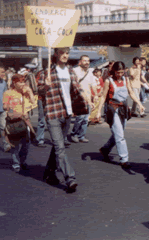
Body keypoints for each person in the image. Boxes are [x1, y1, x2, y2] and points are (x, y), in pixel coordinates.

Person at [37, 47, 92, 193]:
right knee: (60, 148)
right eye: (62, 52)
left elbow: (77, 88)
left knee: (57, 146)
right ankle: (70, 178)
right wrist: (46, 86)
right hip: (54, 113)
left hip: (67, 113)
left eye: (67, 53)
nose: (65, 55)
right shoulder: (46, 72)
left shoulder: (70, 71)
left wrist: (87, 100)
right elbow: (39, 92)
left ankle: (49, 173)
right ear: (56, 54)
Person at [96, 61, 144, 170]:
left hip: (124, 109)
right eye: (118, 72)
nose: (120, 75)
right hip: (112, 109)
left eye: (122, 72)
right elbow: (103, 96)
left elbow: (131, 92)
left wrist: (140, 104)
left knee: (119, 133)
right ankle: (124, 159)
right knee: (120, 136)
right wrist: (99, 111)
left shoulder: (126, 80)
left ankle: (105, 149)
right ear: (114, 71)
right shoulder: (109, 81)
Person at [3, 74, 35, 172]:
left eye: (23, 82)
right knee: (14, 143)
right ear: (14, 83)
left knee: (27, 143)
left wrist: (29, 92)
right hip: (14, 121)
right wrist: (10, 107)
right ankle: (16, 163)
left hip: (25, 121)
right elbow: (4, 107)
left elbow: (33, 102)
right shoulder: (8, 93)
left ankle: (22, 160)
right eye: (20, 82)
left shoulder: (24, 92)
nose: (22, 84)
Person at [71, 55, 97, 143]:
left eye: (88, 61)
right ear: (80, 61)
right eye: (85, 61)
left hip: (88, 98)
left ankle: (81, 136)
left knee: (86, 119)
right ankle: (74, 134)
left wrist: (96, 95)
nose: (87, 62)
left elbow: (93, 84)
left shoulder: (90, 72)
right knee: (80, 117)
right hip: (78, 98)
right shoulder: (75, 71)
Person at [34, 70, 48, 147]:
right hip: (43, 99)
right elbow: (39, 88)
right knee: (42, 120)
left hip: (55, 101)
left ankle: (59, 139)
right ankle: (40, 139)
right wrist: (47, 86)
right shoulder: (44, 73)